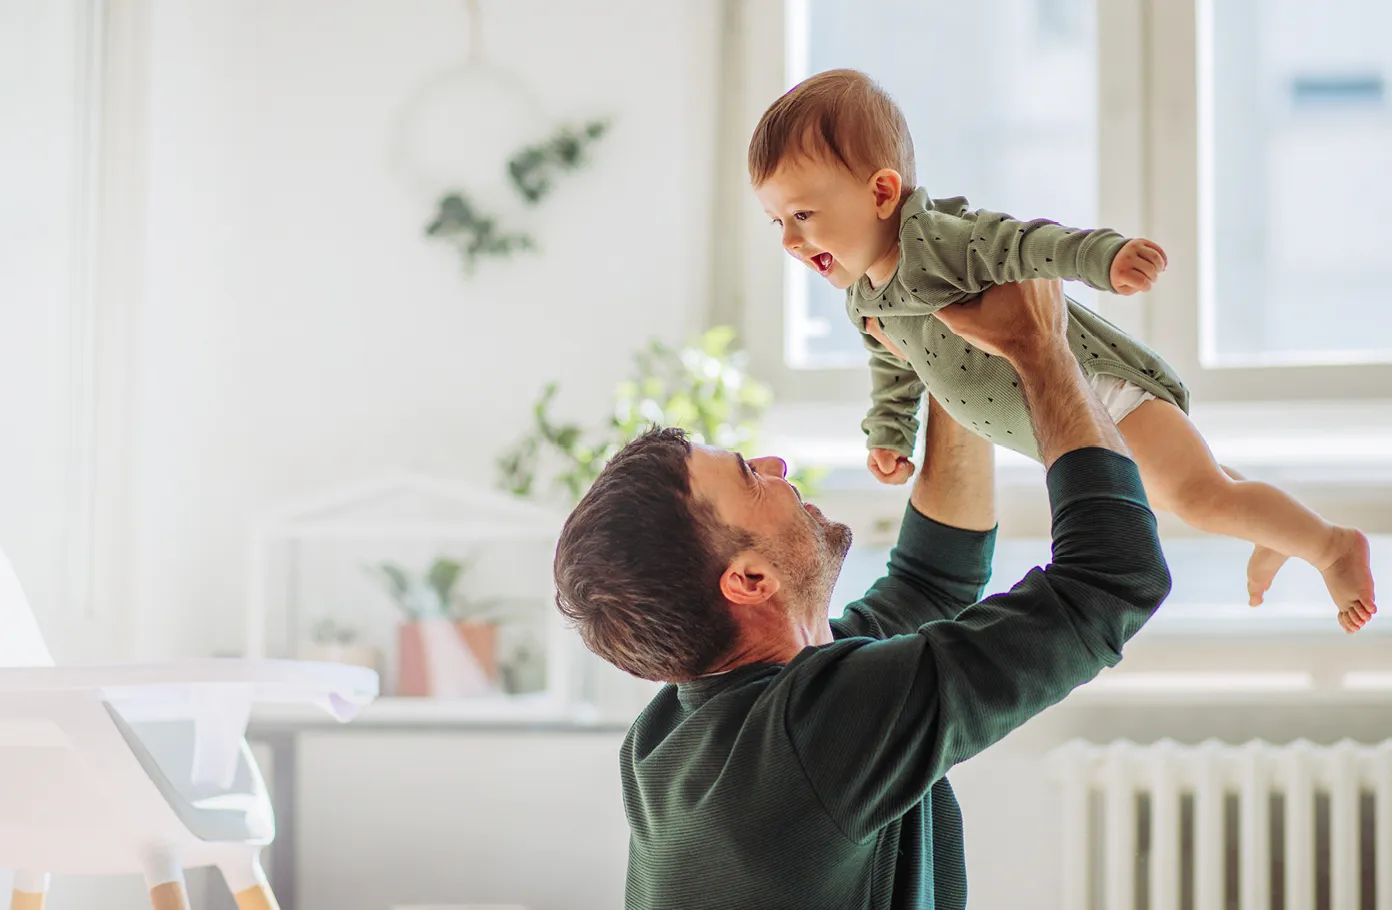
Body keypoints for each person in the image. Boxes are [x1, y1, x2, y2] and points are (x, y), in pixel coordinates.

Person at [552, 278, 1170, 909]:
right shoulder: (810, 733)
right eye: (748, 475)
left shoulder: (677, 728)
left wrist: (951, 362)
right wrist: (1040, 348)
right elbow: (1112, 579)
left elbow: (931, 582)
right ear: (748, 581)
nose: (775, 467)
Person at [749, 68, 1374, 632]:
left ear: (882, 193)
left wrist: (1105, 258)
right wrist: (889, 429)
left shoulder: (938, 241)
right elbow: (894, 363)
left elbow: (1026, 244)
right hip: (1059, 424)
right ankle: (1272, 529)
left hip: (1097, 390)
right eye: (779, 222)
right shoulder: (862, 296)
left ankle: (1330, 547)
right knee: (1194, 491)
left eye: (804, 213)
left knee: (1196, 497)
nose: (790, 240)